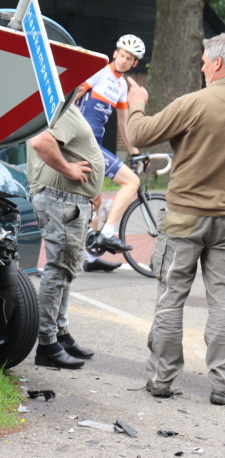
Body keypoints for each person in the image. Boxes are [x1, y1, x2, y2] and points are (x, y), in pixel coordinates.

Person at [126, 34, 225, 407]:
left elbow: (139, 134)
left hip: (184, 217)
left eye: (204, 61)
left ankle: (162, 378)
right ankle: (223, 384)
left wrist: (136, 104)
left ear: (217, 63)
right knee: (223, 303)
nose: (201, 66)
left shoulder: (194, 103)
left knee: (171, 298)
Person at [27, 103, 105, 369]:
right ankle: (47, 344)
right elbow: (40, 141)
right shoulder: (58, 105)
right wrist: (68, 169)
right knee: (59, 269)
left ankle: (60, 334)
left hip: (67, 200)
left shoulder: (64, 104)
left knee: (66, 269)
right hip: (61, 199)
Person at [74, 35, 145, 272]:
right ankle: (107, 233)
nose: (124, 60)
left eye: (129, 58)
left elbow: (124, 124)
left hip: (95, 144)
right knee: (132, 182)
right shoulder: (100, 71)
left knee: (96, 200)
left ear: (134, 63)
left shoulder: (122, 86)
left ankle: (91, 258)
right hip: (85, 144)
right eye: (122, 55)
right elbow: (74, 95)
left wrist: (135, 152)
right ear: (115, 53)